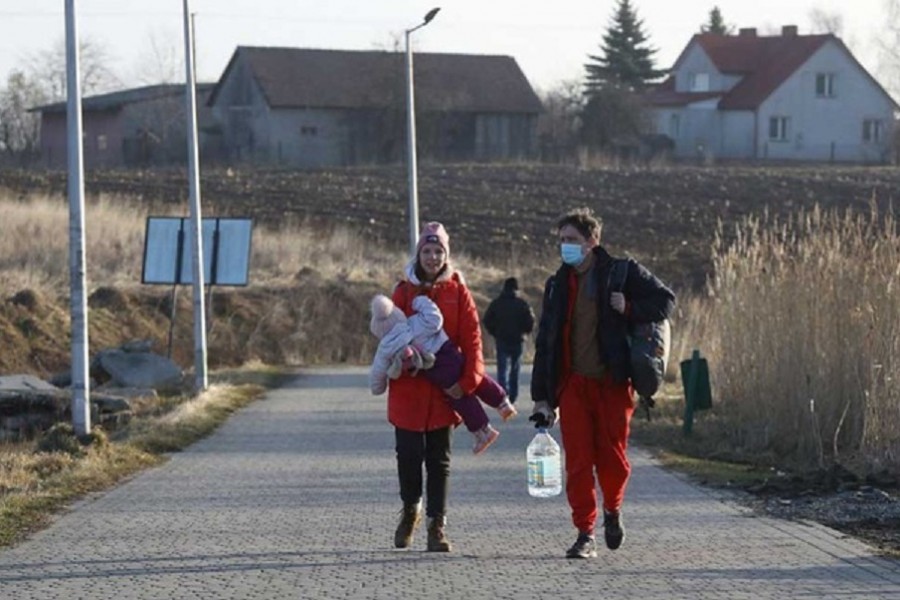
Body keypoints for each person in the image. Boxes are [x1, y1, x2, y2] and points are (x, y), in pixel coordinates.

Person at [529, 208, 675, 559]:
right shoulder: (557, 285)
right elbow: (546, 342)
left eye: (573, 241)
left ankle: (612, 509)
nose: (566, 247)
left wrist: (629, 306)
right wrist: (542, 398)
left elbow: (665, 301)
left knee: (612, 461)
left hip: (612, 384)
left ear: (593, 241)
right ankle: (585, 533)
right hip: (574, 386)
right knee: (578, 464)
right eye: (562, 241)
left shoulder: (622, 273)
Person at [383, 221, 490, 553]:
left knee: (439, 460)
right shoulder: (403, 291)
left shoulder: (459, 292)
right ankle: (410, 511)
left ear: (447, 255)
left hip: (446, 392)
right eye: (426, 251)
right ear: (418, 254)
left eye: (438, 251)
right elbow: (388, 332)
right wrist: (402, 359)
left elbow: (473, 341)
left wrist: (467, 382)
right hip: (408, 389)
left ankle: (436, 525)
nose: (432, 257)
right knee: (408, 457)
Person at [368, 292, 517, 455]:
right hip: (448, 353)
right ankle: (502, 402)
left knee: (459, 398)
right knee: (475, 378)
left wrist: (379, 386)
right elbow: (435, 319)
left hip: (435, 370)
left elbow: (377, 376)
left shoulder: (385, 347)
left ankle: (483, 430)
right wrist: (421, 301)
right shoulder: (415, 323)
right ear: (398, 314)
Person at [482, 277, 535, 404]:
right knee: (515, 368)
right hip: (517, 340)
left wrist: (494, 332)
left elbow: (487, 319)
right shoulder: (522, 303)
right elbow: (531, 321)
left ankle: (502, 393)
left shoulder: (497, 303)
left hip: (502, 339)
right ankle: (513, 395)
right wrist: (525, 332)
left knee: (502, 368)